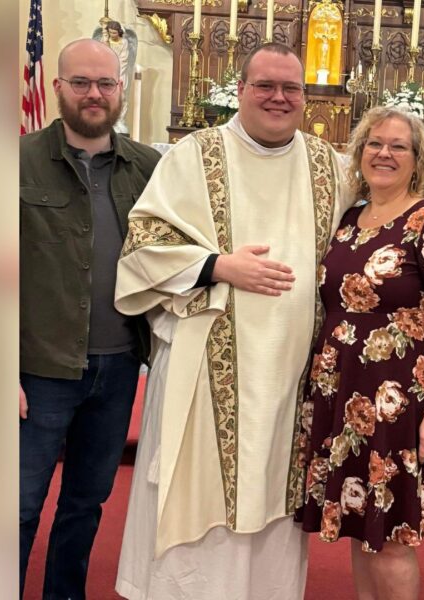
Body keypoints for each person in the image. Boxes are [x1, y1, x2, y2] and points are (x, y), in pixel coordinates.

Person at [113, 43, 354, 599]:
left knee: (274, 505)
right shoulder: (194, 155)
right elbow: (143, 245)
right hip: (206, 368)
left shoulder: (328, 165)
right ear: (239, 90)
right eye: (264, 85)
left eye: (290, 88)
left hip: (290, 375)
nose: (278, 97)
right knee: (200, 499)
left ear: (305, 96)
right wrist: (219, 266)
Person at [294, 106, 424, 600]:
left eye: (399, 145)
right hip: (347, 397)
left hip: (401, 400)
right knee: (363, 525)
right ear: (359, 153)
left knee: (394, 536)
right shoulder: (351, 218)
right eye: (375, 143)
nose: (384, 153)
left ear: (418, 159)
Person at [18, 38, 162, 599]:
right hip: (38, 368)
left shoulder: (149, 168)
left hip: (120, 364)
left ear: (120, 89)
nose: (94, 94)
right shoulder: (17, 161)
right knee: (19, 505)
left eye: (105, 83)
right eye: (81, 82)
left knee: (85, 503)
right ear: (57, 88)